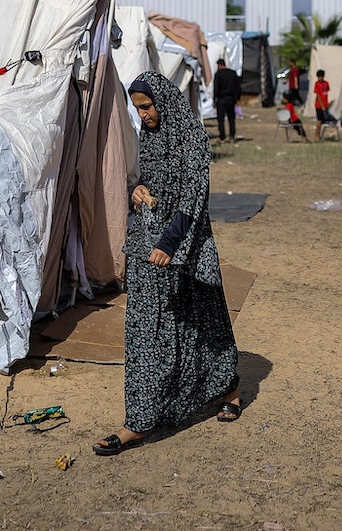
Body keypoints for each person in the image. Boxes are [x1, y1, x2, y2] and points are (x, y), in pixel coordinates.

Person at [93, 72, 242, 456]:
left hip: (183, 244)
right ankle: (138, 421)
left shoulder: (191, 135)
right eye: (137, 108)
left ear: (163, 100)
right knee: (146, 328)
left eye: (146, 106)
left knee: (203, 320)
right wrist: (136, 191)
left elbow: (195, 191)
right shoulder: (151, 135)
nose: (142, 115)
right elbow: (152, 182)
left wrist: (171, 243)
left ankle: (230, 387)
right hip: (148, 242)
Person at [212, 57, 242, 142]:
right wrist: (238, 98)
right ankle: (232, 135)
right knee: (231, 119)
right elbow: (238, 87)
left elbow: (216, 88)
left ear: (219, 65)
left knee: (221, 119)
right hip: (231, 99)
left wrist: (214, 100)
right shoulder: (233, 73)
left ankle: (222, 136)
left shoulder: (218, 74)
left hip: (221, 99)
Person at [312, 69, 331, 142]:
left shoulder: (326, 83)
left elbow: (326, 93)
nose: (320, 78)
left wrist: (327, 104)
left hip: (325, 105)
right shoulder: (317, 84)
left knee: (323, 121)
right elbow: (318, 96)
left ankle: (319, 135)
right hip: (319, 105)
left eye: (321, 77)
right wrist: (322, 105)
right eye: (319, 77)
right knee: (319, 120)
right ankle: (317, 136)